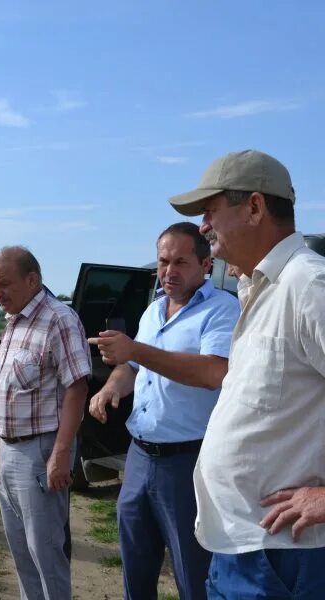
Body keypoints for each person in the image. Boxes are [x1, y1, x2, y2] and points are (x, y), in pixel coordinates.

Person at [168, 149, 325, 598]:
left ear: (255, 207)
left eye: (210, 211)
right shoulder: (259, 290)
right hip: (242, 547)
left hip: (286, 555)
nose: (202, 226)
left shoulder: (307, 285)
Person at [88, 222, 239, 600]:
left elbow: (211, 372)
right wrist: (110, 387)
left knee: (193, 572)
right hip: (139, 456)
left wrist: (134, 351)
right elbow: (132, 368)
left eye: (180, 262)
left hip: (187, 460)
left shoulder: (222, 309)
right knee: (136, 567)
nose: (169, 271)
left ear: (206, 265)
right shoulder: (154, 310)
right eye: (163, 261)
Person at [0, 246, 91, 599]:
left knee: (46, 554)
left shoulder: (58, 318)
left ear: (32, 280)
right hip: (11, 452)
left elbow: (77, 388)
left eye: (4, 284)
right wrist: (1, 445)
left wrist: (61, 453)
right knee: (21, 554)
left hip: (41, 453)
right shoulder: (14, 321)